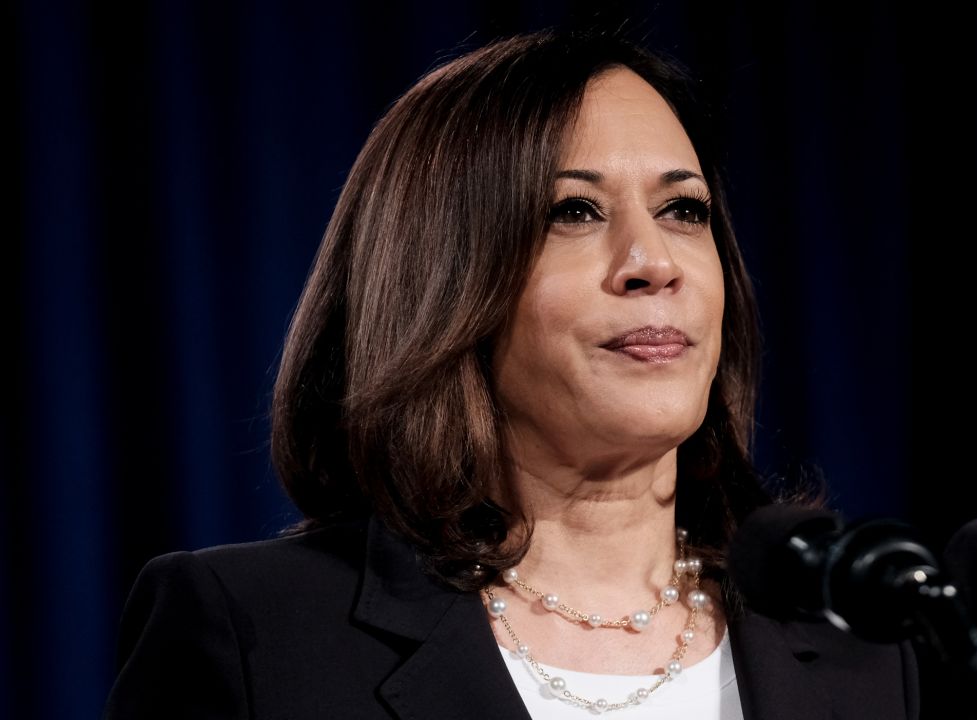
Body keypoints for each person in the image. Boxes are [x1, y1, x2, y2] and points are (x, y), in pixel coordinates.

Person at [103, 28, 919, 720]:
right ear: (443, 280)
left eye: (684, 210)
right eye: (574, 212)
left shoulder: (865, 652)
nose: (653, 263)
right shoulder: (259, 634)